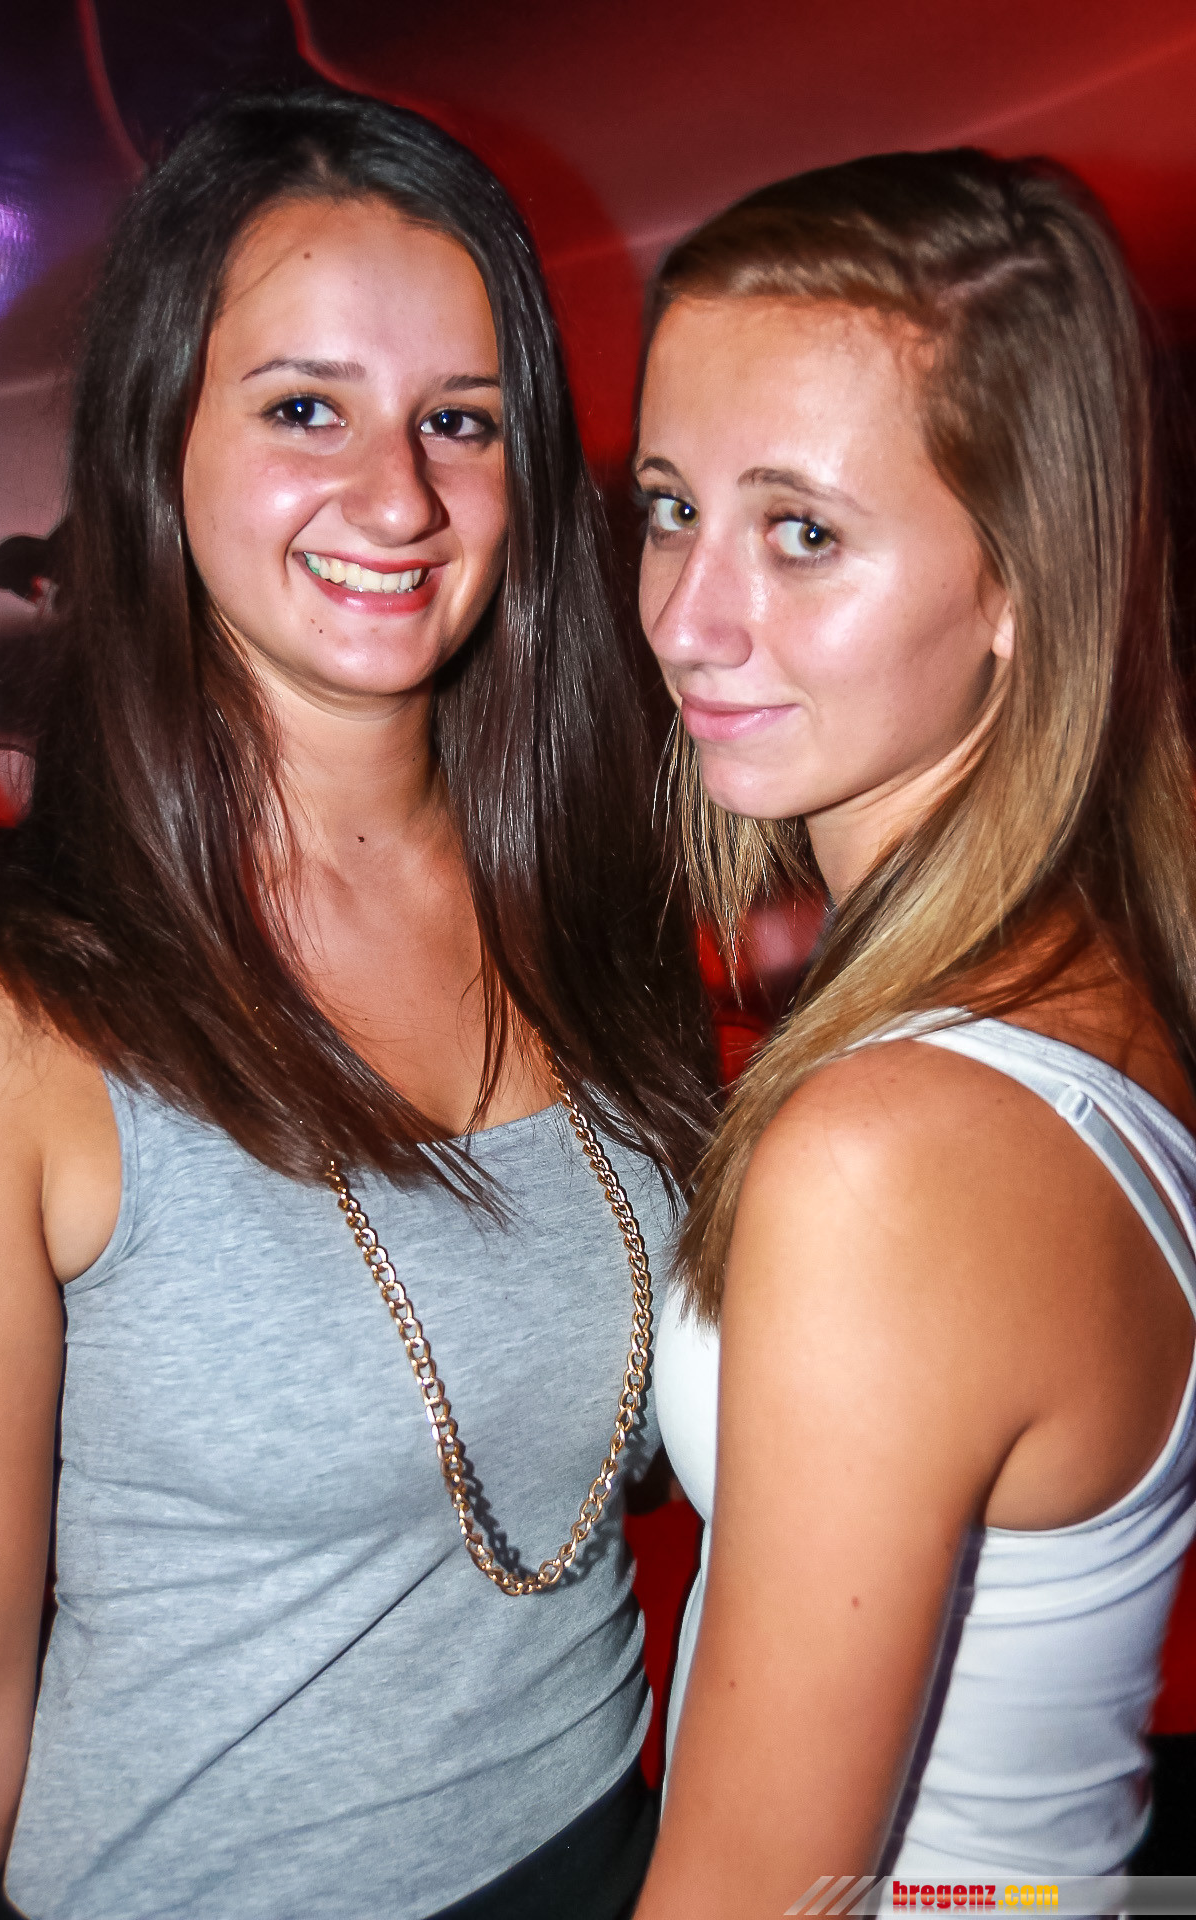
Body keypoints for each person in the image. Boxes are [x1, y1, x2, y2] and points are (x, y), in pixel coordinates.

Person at [0, 87, 712, 1920]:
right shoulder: (34, 1020)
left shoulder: (600, 901)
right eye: (303, 409)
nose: (400, 496)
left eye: (461, 420)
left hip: (620, 1851)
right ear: (158, 444)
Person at [626, 149, 1196, 1911]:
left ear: (1022, 577)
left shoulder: (889, 1153)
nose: (688, 618)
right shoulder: (1093, 980)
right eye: (667, 506)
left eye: (801, 532)